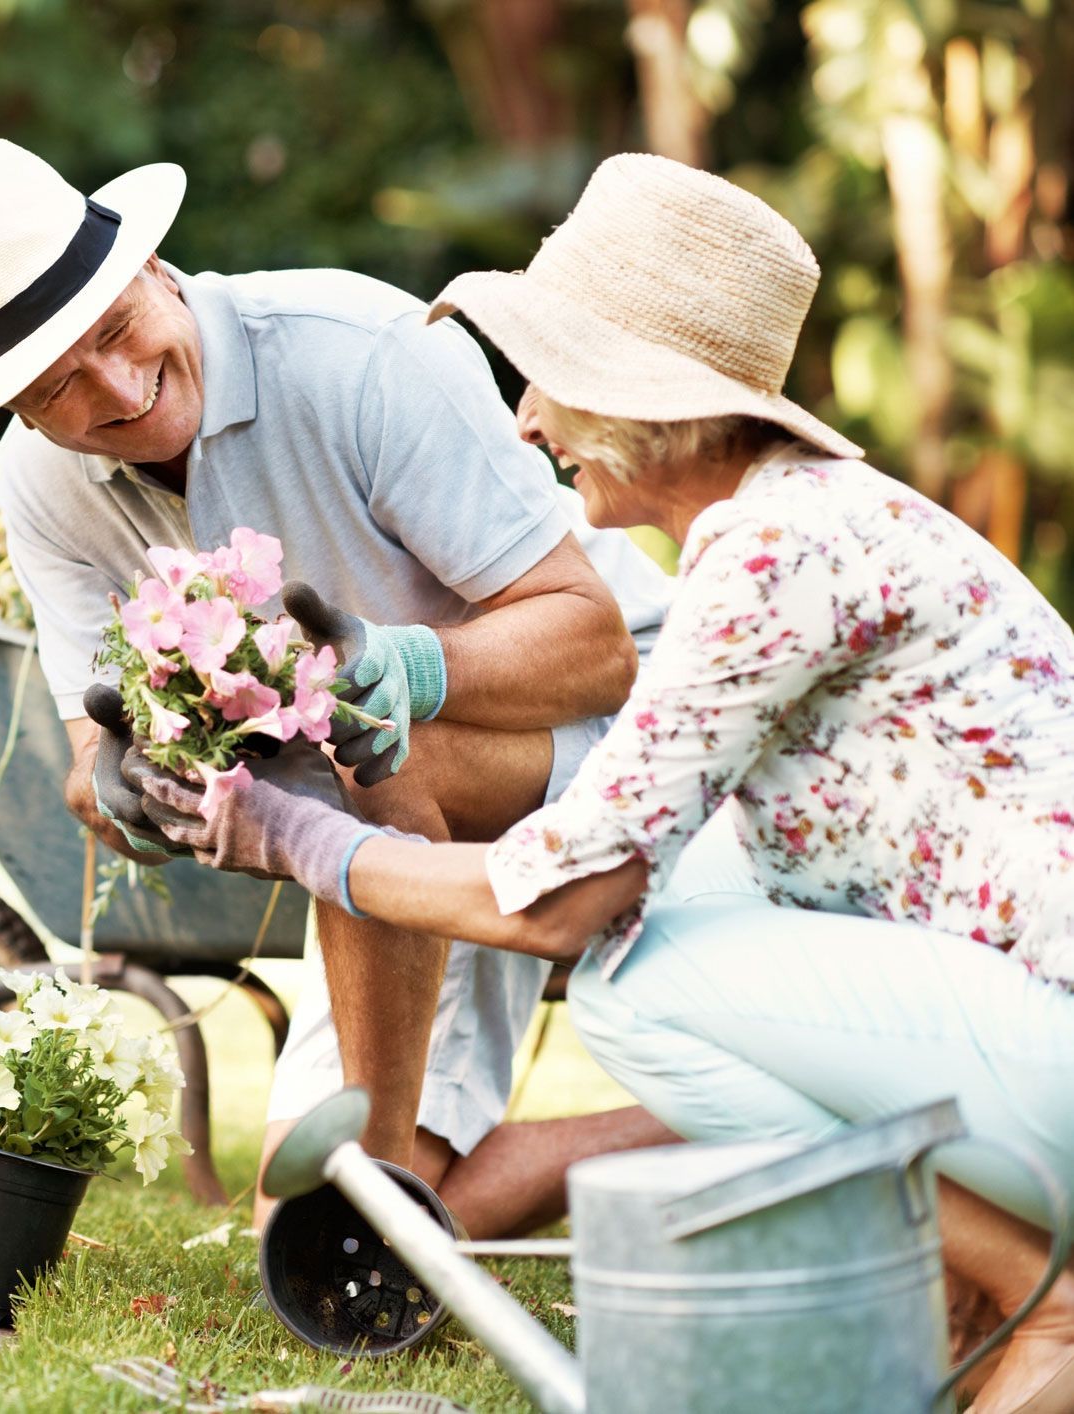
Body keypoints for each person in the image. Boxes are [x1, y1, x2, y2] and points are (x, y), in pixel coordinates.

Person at [131, 153, 1074, 1414]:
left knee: (632, 977)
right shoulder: (789, 527)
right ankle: (973, 1285)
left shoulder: (776, 557)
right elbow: (624, 836)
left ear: (651, 402)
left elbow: (565, 901)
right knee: (705, 889)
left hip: (1048, 1035)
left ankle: (1039, 1293)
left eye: (550, 380)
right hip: (1021, 1020)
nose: (525, 422)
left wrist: (292, 835)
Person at [0, 138, 680, 1233]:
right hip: (390, 828)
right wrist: (117, 785)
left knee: (370, 742)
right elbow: (87, 756)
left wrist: (402, 665)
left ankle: (377, 1191)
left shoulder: (361, 356)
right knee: (283, 1223)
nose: (115, 389)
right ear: (17, 412)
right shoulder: (43, 486)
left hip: (625, 743)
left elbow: (599, 646)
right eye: (58, 386)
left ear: (156, 270)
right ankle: (719, 1136)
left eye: (116, 330)